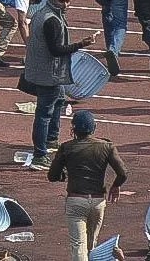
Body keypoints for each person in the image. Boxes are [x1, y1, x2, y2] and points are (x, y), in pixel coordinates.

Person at [25, 0, 98, 172]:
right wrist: (81, 44)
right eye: (61, 1)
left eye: (67, 1)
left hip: (42, 70)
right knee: (43, 113)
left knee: (59, 101)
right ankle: (40, 155)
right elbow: (56, 50)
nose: (65, 5)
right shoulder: (52, 20)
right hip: (49, 74)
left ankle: (51, 139)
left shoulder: (42, 13)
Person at [47, 110, 128, 261]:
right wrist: (116, 186)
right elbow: (123, 173)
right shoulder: (107, 146)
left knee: (79, 245)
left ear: (74, 129)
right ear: (94, 127)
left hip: (76, 201)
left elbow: (52, 176)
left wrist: (63, 174)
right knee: (92, 245)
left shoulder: (66, 147)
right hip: (98, 201)